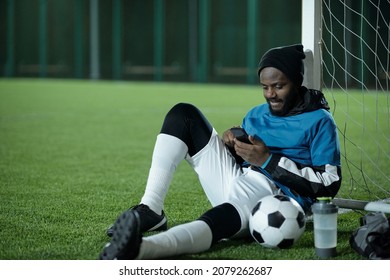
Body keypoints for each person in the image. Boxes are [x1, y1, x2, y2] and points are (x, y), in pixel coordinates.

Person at [99, 44, 342, 260]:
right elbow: (246, 159)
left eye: (279, 86)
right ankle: (151, 209)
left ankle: (142, 249)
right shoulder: (256, 114)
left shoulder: (320, 121)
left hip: (273, 198)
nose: (270, 94)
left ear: (297, 82)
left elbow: (329, 183)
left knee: (214, 221)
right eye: (265, 87)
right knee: (184, 114)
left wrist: (268, 161)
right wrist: (234, 146)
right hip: (238, 179)